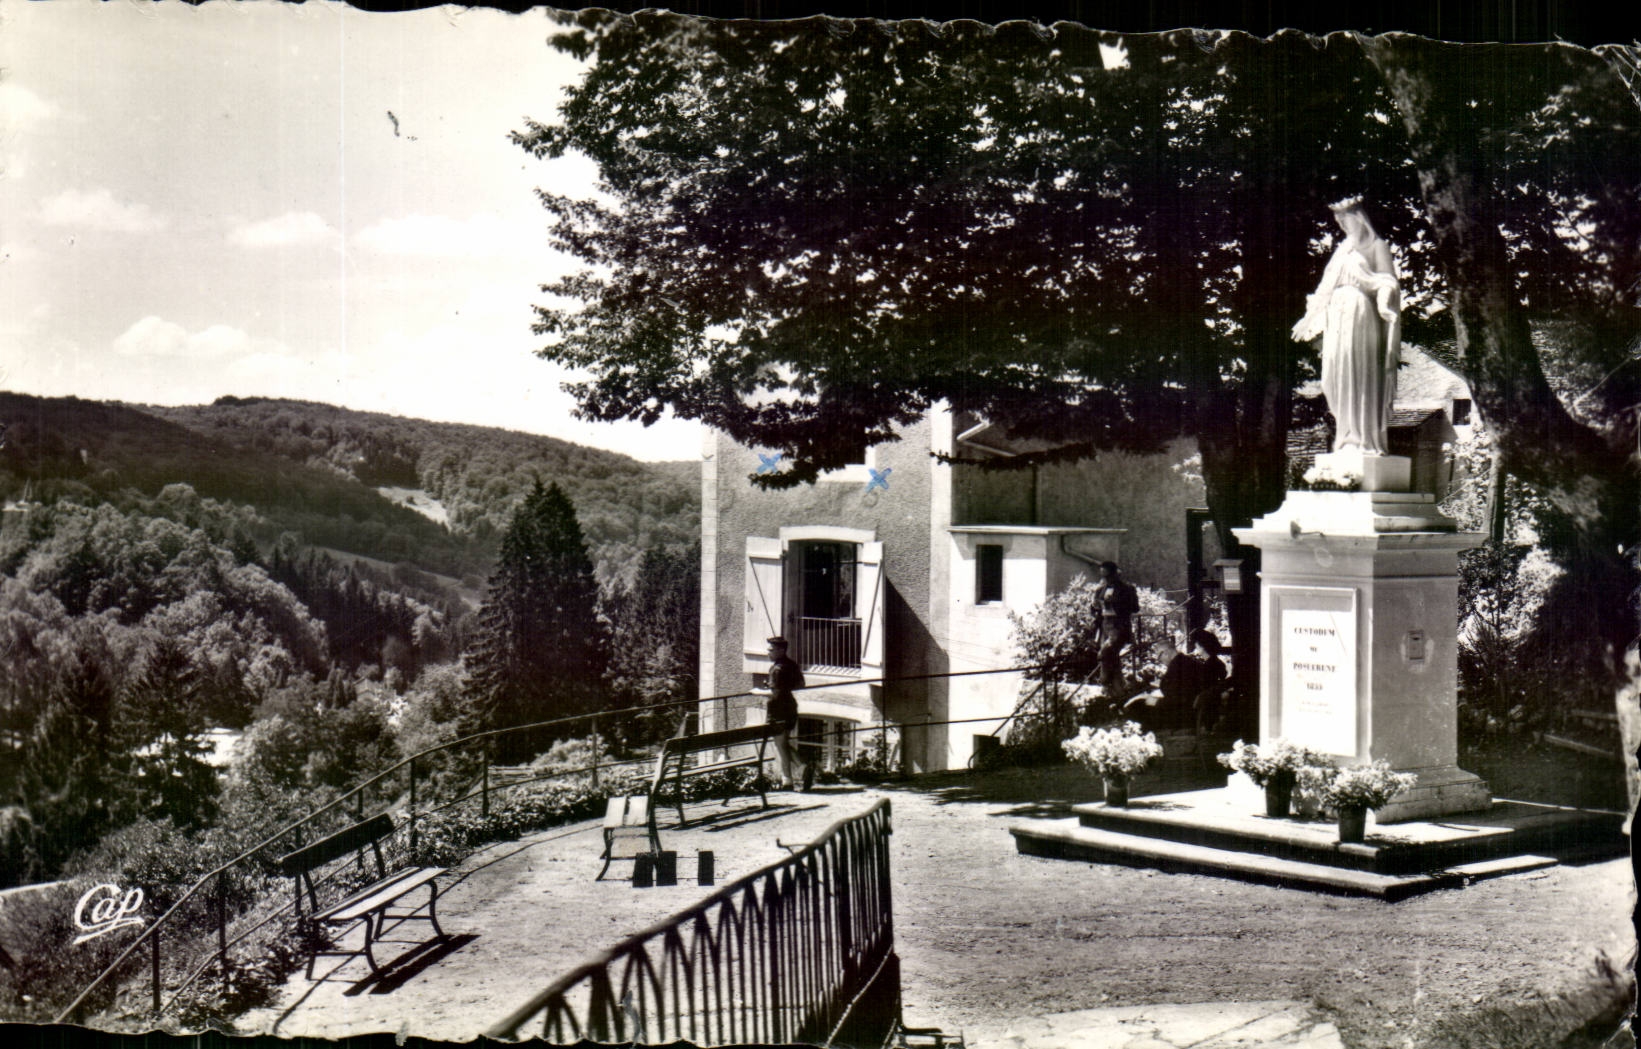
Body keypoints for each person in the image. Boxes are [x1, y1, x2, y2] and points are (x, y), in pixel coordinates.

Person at [1291, 196, 1403, 456]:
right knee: (1334, 376)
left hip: (1360, 312)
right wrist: (1308, 318)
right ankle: (1345, 435)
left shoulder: (1377, 246)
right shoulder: (1342, 250)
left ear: (1360, 217)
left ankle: (1362, 438)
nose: (1341, 224)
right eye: (1338, 219)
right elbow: (1324, 288)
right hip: (1336, 316)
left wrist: (1385, 304)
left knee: (1359, 373)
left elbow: (1389, 282)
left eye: (1345, 217)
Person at [764, 636, 812, 790]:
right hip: (790, 707)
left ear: (781, 650)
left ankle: (800, 769)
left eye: (771, 650)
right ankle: (788, 780)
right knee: (783, 743)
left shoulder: (777, 669)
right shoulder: (792, 665)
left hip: (778, 710)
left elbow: (775, 694)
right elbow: (800, 684)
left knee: (780, 745)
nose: (768, 653)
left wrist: (758, 691)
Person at [1091, 561, 1139, 693]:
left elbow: (1135, 608)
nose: (1106, 579)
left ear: (1115, 574)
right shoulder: (1100, 590)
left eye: (1108, 576)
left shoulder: (1127, 589)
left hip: (1120, 628)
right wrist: (1096, 606)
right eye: (1103, 576)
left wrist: (1116, 605)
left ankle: (1106, 684)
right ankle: (1118, 689)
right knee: (1112, 658)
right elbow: (1094, 610)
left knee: (1106, 653)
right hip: (1106, 628)